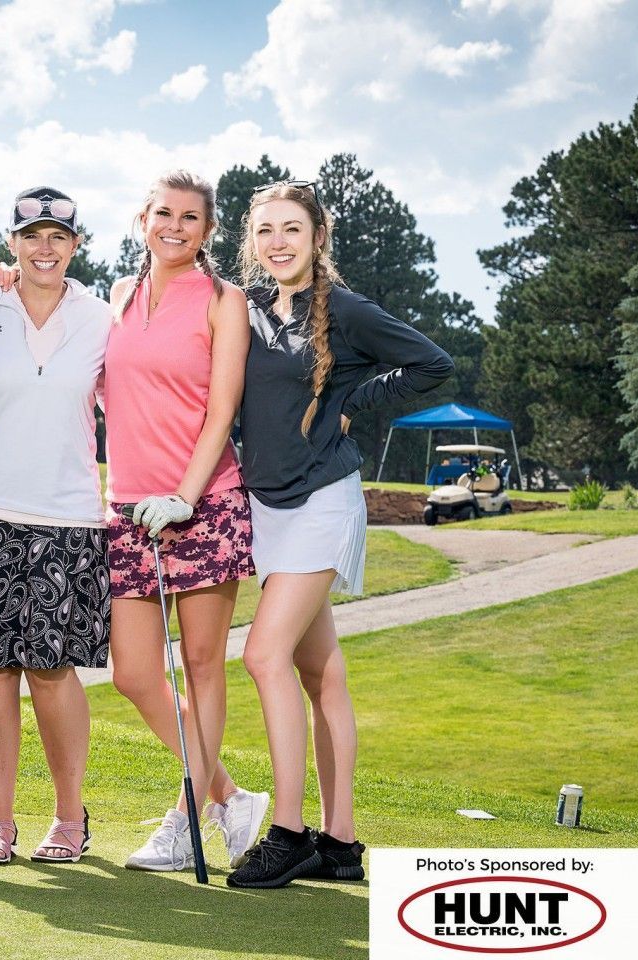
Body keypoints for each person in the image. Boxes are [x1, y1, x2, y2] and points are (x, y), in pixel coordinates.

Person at [226, 180, 453, 888]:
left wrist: (356, 403)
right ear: (252, 241)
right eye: (266, 230)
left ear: (317, 235)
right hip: (268, 504)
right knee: (319, 671)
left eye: (291, 228)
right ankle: (341, 843)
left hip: (323, 499)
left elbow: (432, 364)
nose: (278, 242)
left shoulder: (346, 311)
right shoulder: (246, 307)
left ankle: (289, 831)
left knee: (264, 657)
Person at [0, 187, 112, 866]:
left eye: (59, 237)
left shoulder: (103, 318)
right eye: (32, 235)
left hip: (67, 515)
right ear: (11, 241)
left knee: (50, 670)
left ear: (75, 245)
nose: (45, 248)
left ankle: (70, 821)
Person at [104, 170, 269, 872]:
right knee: (133, 673)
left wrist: (185, 494)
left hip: (205, 505)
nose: (174, 225)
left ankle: (184, 817)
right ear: (142, 220)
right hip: (127, 508)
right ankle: (227, 795)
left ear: (207, 231)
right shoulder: (118, 295)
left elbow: (222, 408)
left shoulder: (224, 301)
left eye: (190, 217)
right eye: (163, 213)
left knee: (202, 667)